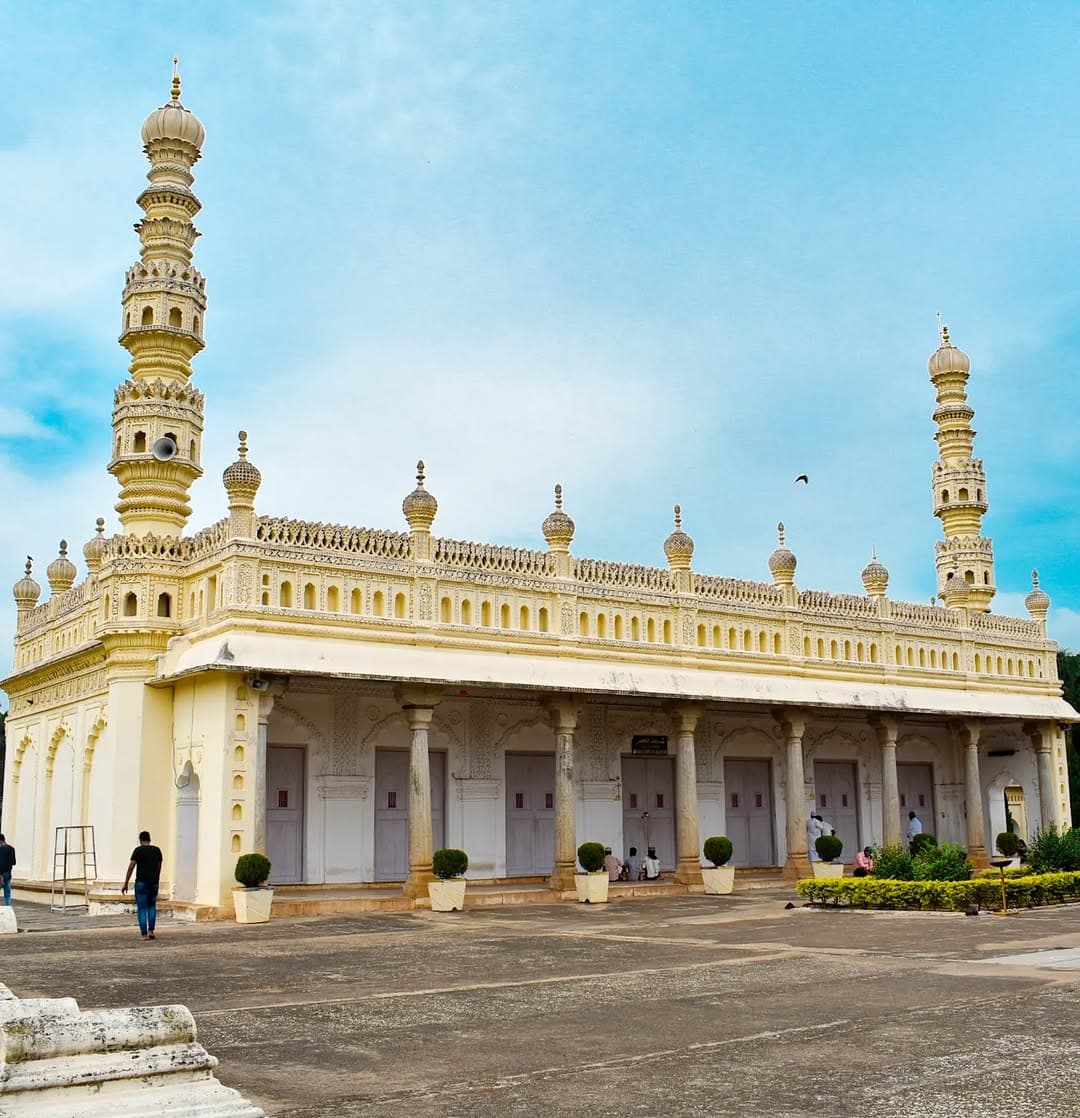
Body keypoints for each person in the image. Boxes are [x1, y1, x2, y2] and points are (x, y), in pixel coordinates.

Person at [122, 830, 163, 941]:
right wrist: (156, 878)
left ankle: (144, 935)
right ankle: (151, 931)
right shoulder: (157, 850)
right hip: (153, 882)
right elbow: (159, 866)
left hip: (141, 883)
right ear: (149, 839)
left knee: (142, 908)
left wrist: (126, 883)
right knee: (151, 906)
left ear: (140, 840)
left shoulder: (138, 851)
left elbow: (131, 867)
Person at [0, 834, 15, 907]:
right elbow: (13, 862)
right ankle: (8, 910)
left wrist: (1, 877)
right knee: (7, 895)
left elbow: (1, 864)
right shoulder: (12, 849)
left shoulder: (1, 849)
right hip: (8, 874)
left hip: (1, 876)